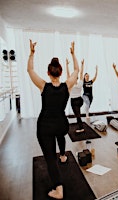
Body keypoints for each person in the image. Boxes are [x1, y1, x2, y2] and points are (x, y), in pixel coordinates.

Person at [27, 40, 79, 199]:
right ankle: (63, 155)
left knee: (50, 158)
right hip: (61, 125)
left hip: (45, 127)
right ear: (61, 73)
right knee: (60, 136)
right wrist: (73, 53)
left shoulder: (43, 86)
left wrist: (32, 53)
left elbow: (30, 70)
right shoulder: (67, 86)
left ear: (48, 73)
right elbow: (77, 69)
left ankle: (59, 189)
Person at [66, 58, 85, 133]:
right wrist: (82, 65)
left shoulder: (70, 84)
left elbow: (67, 75)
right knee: (78, 114)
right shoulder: (80, 83)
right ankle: (80, 126)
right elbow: (81, 74)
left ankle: (81, 128)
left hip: (74, 101)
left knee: (77, 115)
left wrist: (66, 65)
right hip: (80, 100)